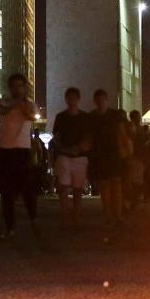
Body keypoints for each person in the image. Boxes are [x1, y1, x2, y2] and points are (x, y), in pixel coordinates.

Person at [0, 73, 39, 238]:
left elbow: (32, 116)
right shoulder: (3, 101)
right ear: (9, 87)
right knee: (6, 191)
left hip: (22, 150)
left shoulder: (30, 104)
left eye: (20, 86)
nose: (17, 89)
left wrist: (22, 104)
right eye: (14, 86)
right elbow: (0, 111)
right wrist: (16, 104)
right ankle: (10, 227)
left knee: (27, 188)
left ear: (24, 87)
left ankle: (33, 220)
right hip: (5, 150)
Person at [51, 88, 91, 228]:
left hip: (80, 157)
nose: (72, 100)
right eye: (69, 97)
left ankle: (76, 215)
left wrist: (79, 148)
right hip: (64, 156)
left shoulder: (85, 117)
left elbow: (89, 137)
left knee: (78, 188)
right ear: (66, 99)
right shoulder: (61, 117)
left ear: (78, 99)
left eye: (74, 97)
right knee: (63, 186)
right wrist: (64, 149)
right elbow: (56, 137)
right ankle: (65, 215)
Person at [88, 89, 123, 227]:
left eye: (102, 100)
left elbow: (122, 133)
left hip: (113, 154)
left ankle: (117, 216)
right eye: (98, 101)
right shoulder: (93, 117)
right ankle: (110, 216)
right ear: (96, 102)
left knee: (116, 186)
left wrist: (124, 150)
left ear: (106, 100)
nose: (100, 103)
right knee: (105, 187)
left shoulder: (114, 115)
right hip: (100, 155)